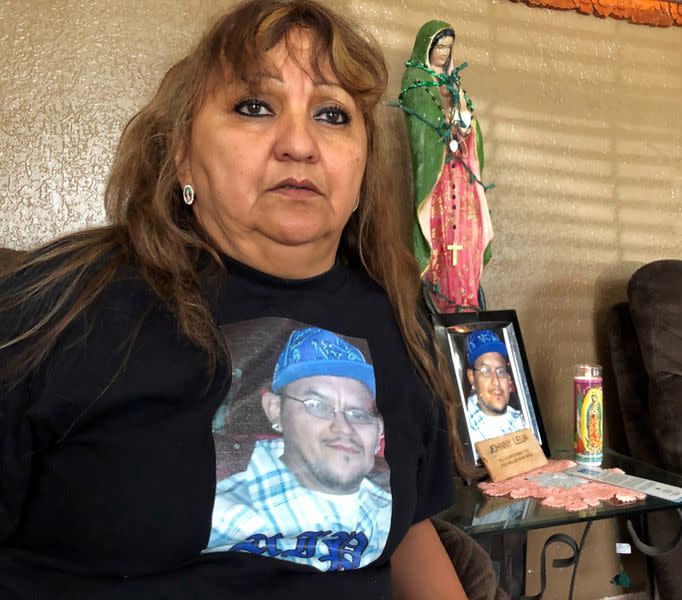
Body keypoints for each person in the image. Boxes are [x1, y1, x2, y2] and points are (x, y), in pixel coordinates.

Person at [0, 2, 469, 598]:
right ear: (181, 155)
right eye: (255, 106)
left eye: (331, 113)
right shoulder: (54, 304)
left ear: (362, 165)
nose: (299, 143)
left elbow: (404, 530)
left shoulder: (398, 314)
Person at [208, 326, 392, 571]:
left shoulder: (384, 507)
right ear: (275, 409)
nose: (343, 427)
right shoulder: (224, 516)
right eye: (316, 405)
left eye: (358, 413)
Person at [398, 20, 494, 313]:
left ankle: (466, 294)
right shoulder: (416, 79)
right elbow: (421, 128)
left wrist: (464, 122)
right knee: (440, 231)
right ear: (427, 47)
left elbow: (470, 126)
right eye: (439, 46)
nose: (443, 52)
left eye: (448, 48)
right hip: (438, 177)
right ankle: (440, 293)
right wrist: (443, 126)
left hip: (461, 173)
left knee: (468, 229)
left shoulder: (455, 84)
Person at [464, 330, 526, 444]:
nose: (496, 381)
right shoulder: (461, 427)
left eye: (500, 371)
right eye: (485, 371)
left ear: (508, 379)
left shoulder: (522, 422)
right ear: (472, 377)